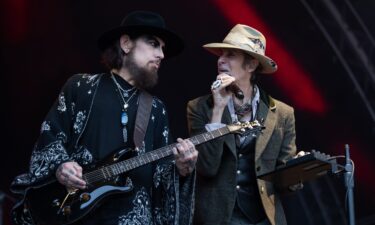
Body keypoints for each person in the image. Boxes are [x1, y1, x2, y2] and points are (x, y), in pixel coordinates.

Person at [10, 10, 198, 225]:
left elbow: (160, 175)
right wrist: (61, 166)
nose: (161, 55)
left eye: (163, 48)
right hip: (79, 214)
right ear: (126, 44)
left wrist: (181, 170)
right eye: (153, 43)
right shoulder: (81, 87)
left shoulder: (156, 108)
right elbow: (50, 136)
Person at [187, 24, 298, 225]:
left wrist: (299, 171)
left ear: (251, 65)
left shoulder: (283, 113)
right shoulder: (199, 107)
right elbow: (207, 167)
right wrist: (218, 110)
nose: (221, 59)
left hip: (263, 218)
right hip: (218, 219)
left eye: (230, 55)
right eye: (221, 54)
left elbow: (285, 184)